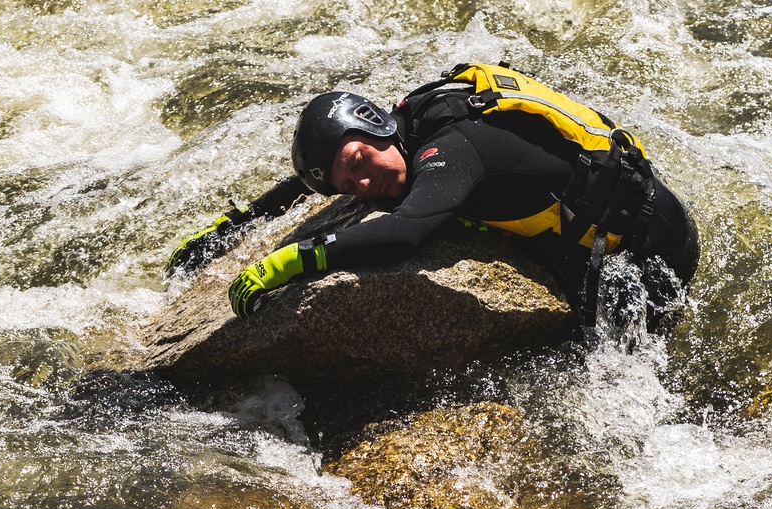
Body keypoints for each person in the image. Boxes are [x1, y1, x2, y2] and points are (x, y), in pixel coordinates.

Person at [167, 62, 700, 339]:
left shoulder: (455, 146)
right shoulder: (406, 125)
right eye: (349, 186)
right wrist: (236, 225)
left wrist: (299, 257)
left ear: (375, 126)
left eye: (359, 166)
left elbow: (407, 231)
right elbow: (315, 177)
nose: (364, 186)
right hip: (598, 235)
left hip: (649, 247)